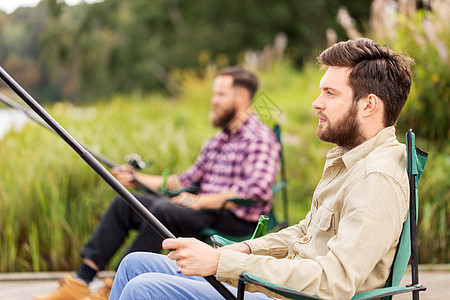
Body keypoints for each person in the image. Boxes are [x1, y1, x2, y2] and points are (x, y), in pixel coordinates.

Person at [109, 37, 415, 300]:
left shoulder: (376, 178)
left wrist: (220, 263)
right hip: (282, 283)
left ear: (368, 105)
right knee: (135, 264)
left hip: (299, 295)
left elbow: (333, 282)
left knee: (145, 288)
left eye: (330, 93)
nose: (316, 103)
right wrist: (238, 253)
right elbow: (303, 233)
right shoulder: (349, 160)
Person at [33, 66, 281, 300]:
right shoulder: (219, 141)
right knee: (125, 203)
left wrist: (197, 201)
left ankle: (113, 286)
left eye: (220, 94)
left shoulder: (258, 138)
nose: (213, 100)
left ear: (240, 97)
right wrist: (136, 179)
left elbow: (256, 191)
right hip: (202, 211)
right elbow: (184, 180)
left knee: (164, 211)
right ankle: (80, 281)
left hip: (233, 221)